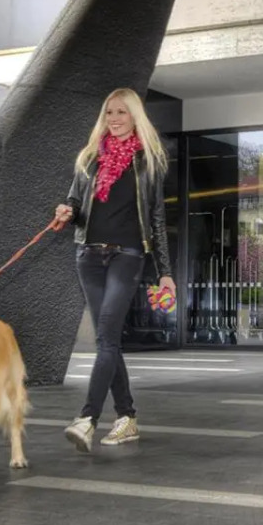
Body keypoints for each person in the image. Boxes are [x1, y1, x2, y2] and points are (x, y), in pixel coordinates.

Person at [54, 87, 175, 453]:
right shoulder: (90, 157)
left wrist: (165, 272)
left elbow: (156, 218)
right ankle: (127, 417)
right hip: (88, 256)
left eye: (122, 112)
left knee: (107, 337)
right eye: (109, 112)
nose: (115, 118)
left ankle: (87, 418)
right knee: (108, 340)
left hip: (128, 255)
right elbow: (76, 201)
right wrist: (67, 211)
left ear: (135, 116)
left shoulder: (149, 160)